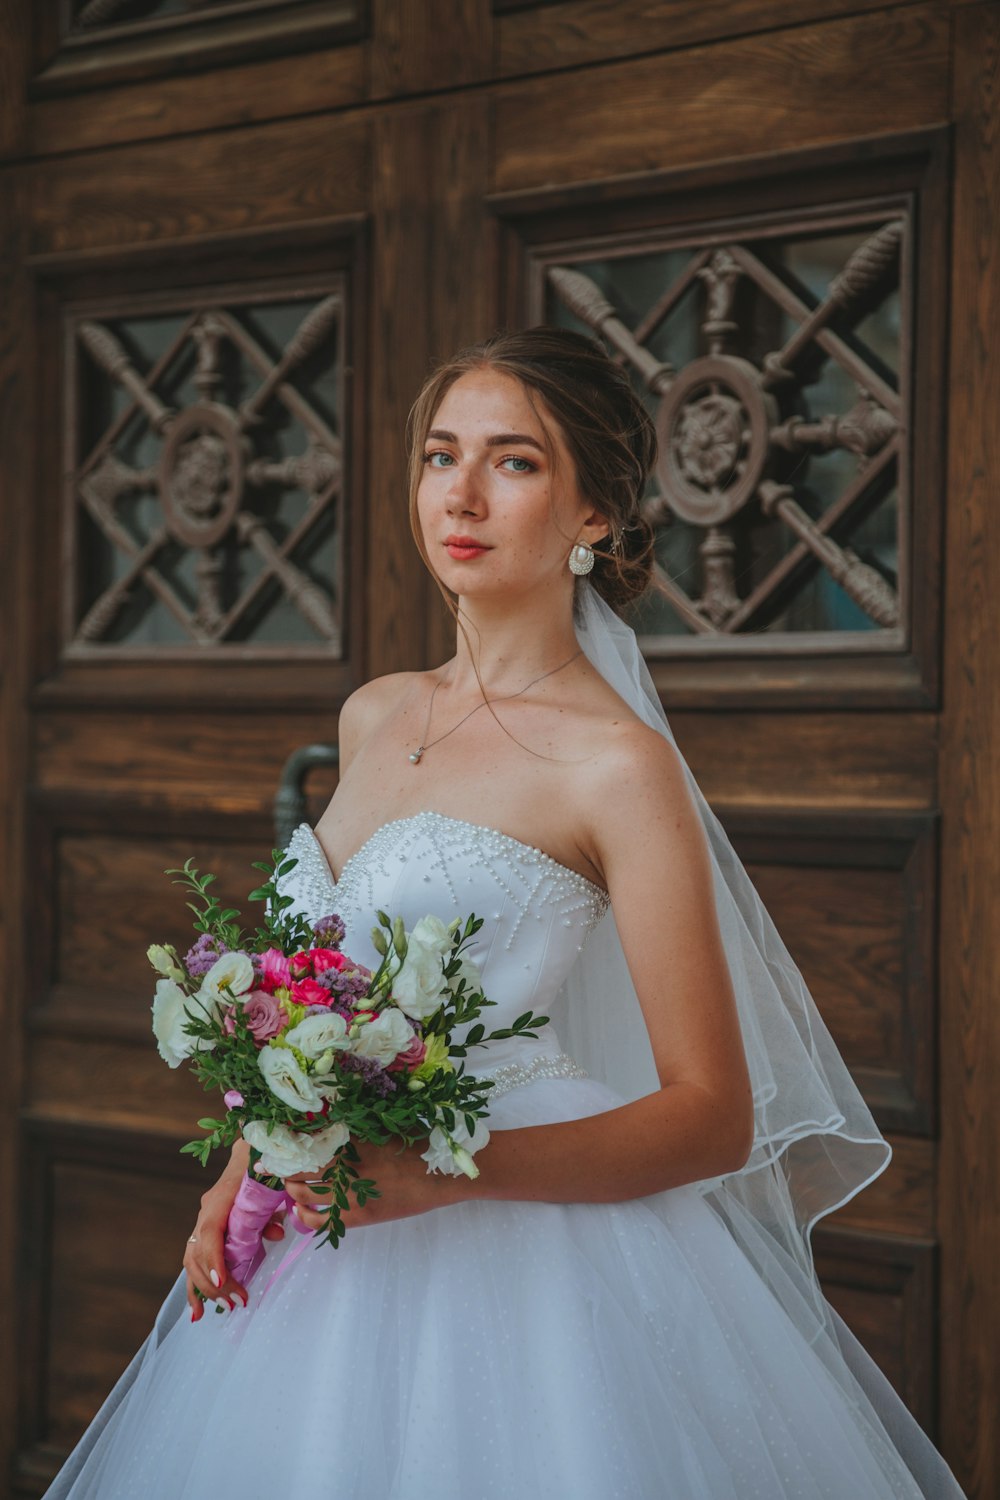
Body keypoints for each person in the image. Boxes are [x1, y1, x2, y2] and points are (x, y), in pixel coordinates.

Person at [46, 328, 964, 1499]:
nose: (462, 494)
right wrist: (246, 1159)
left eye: (515, 462)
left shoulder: (617, 768)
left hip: (527, 1262)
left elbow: (710, 1116)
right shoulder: (372, 714)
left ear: (594, 516)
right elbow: (317, 985)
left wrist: (433, 1180)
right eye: (441, 455)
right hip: (317, 1246)